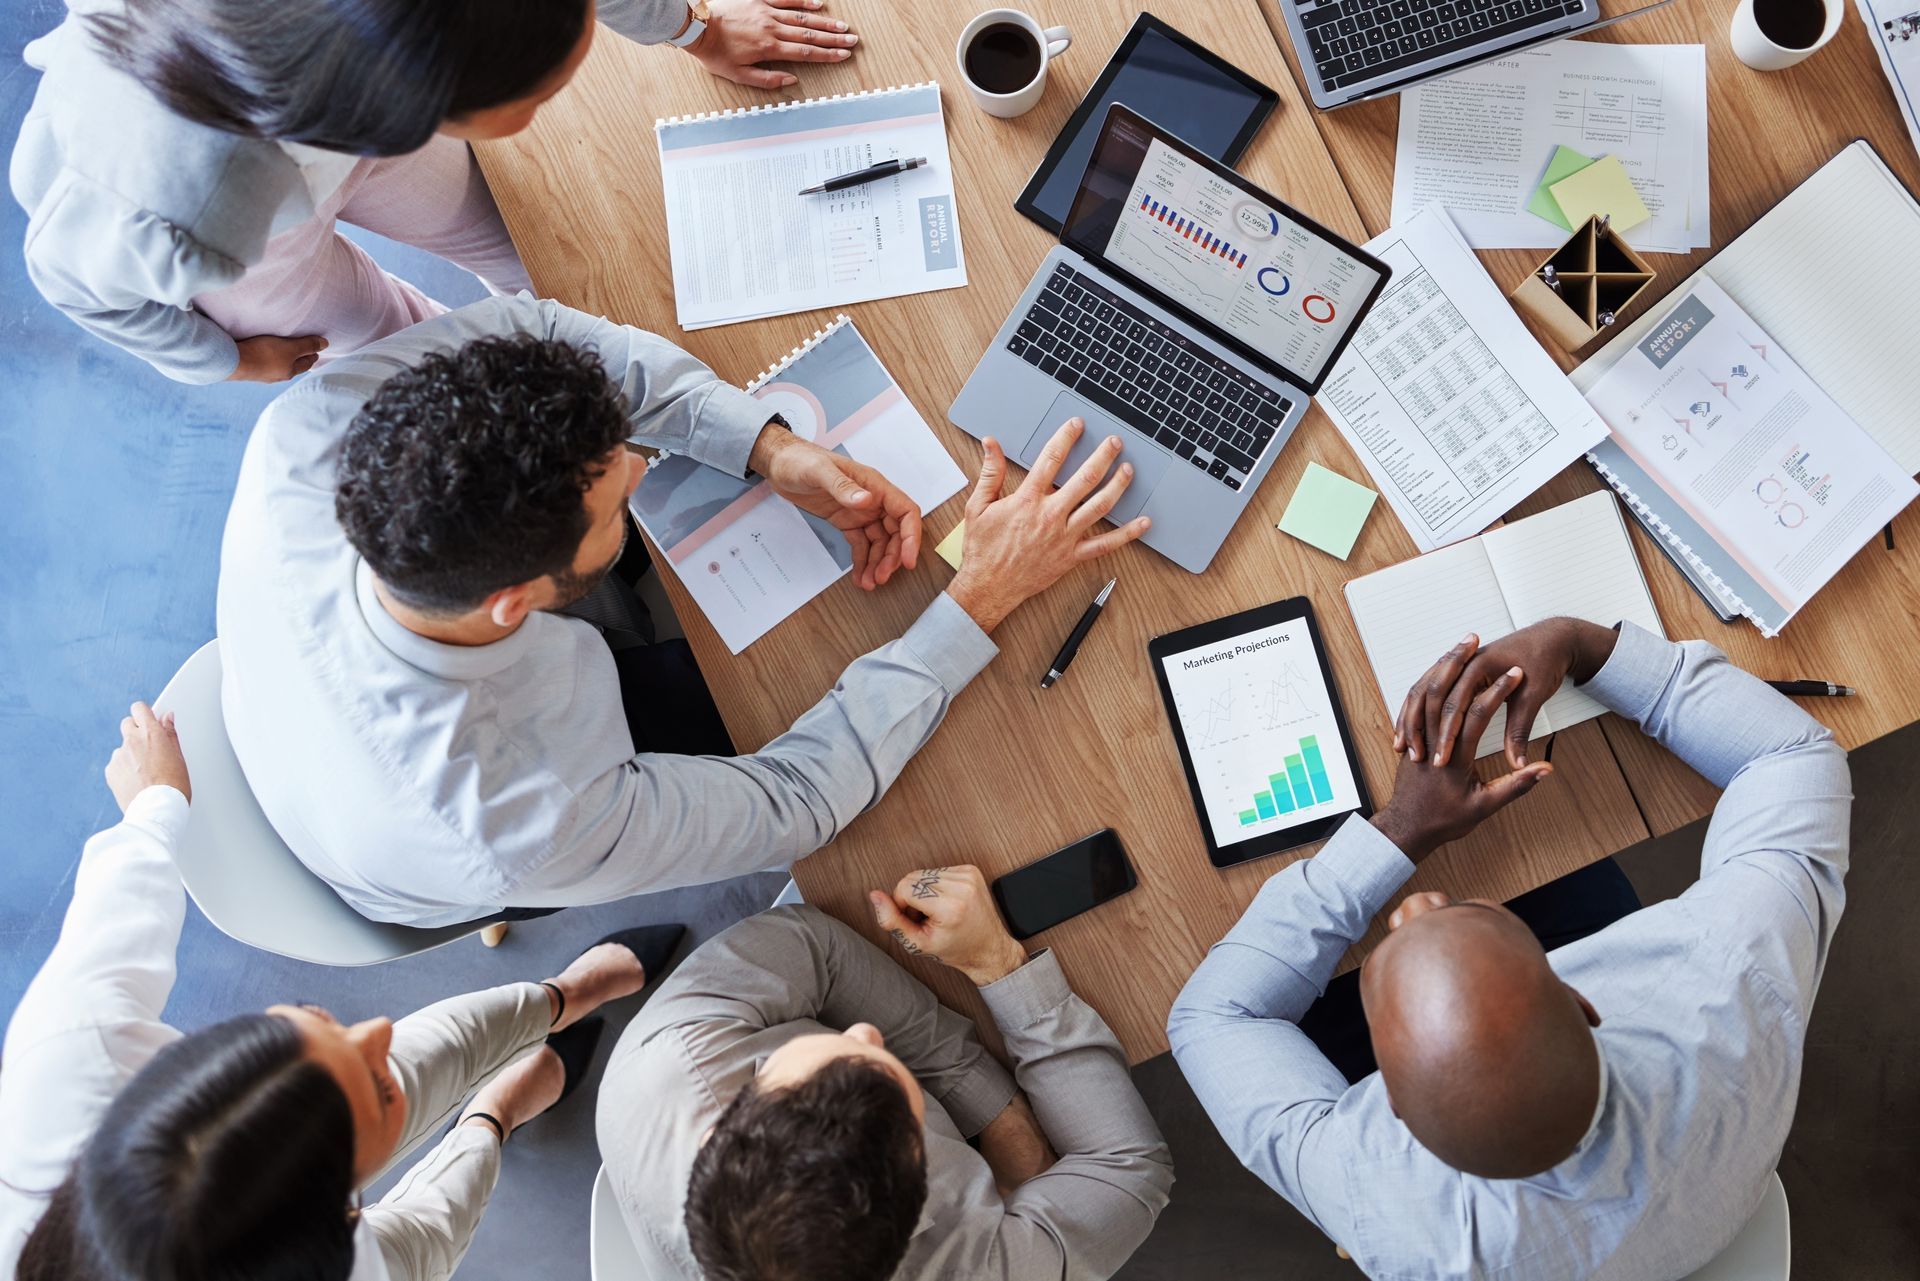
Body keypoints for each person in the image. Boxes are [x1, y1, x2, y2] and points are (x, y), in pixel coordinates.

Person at [216, 292, 1150, 927]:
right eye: (616, 501)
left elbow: (550, 334)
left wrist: (765, 449)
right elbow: (796, 798)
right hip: (426, 849)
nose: (639, 466)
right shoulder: (528, 822)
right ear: (514, 604)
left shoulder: (316, 423)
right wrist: (981, 597)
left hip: (315, 718)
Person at [1167, 617, 1851, 1278]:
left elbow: (1210, 1016)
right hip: (1709, 1187)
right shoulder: (1728, 985)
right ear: (1582, 1000)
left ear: (1390, 1103)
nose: (1420, 905)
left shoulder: (1380, 1204)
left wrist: (1400, 831)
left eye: (1406, 931)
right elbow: (1790, 756)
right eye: (1450, 914)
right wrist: (1584, 644)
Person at [0, 700, 686, 1281]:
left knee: (413, 1059)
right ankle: (493, 1117)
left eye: (308, 1019)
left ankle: (557, 996)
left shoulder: (64, 1062)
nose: (380, 1029)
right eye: (376, 1086)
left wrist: (155, 803)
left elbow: (115, 920)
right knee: (434, 1226)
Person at [10, 0, 859, 384]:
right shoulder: (190, 206)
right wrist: (222, 359)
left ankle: (576, 348)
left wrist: (693, 28)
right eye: (533, 102)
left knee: (525, 245)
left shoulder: (395, 80)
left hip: (324, 116)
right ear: (421, 108)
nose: (540, 114)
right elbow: (67, 280)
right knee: (410, 344)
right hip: (241, 255)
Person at [595, 865, 1174, 1280]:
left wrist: (998, 1113)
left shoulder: (666, 1058)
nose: (864, 1033)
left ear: (717, 1134)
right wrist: (994, 962)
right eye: (898, 1094)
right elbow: (1130, 1167)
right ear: (928, 1195)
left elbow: (814, 944)